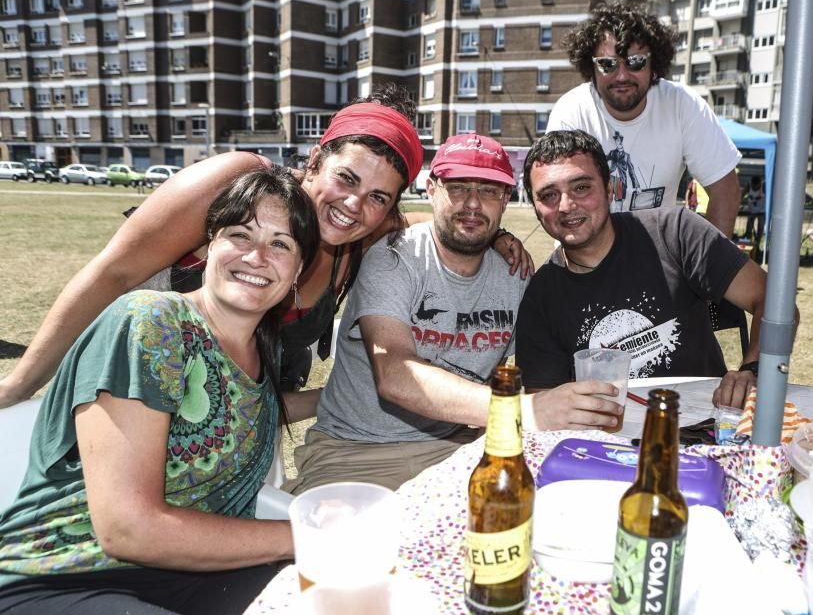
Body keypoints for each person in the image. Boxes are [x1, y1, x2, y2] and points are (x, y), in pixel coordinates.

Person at [0, 85, 533, 407]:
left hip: (236, 425)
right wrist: (19, 385)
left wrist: (496, 232)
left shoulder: (359, 234)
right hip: (131, 383)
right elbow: (111, 273)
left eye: (376, 197)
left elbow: (435, 220)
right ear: (316, 159)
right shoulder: (236, 183)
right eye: (345, 179)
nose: (352, 205)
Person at [0, 167, 323, 615]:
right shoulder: (152, 324)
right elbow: (128, 528)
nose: (257, 255)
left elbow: (240, 413)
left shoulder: (265, 348)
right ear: (209, 246)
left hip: (194, 575)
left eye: (281, 244)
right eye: (240, 234)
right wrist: (311, 537)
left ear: (296, 272)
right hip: (62, 579)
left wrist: (333, 397)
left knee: (349, 611)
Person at [285, 133, 622, 493]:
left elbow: (533, 368)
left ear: (506, 199)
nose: (473, 204)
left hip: (455, 452)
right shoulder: (395, 257)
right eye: (458, 187)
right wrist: (527, 410)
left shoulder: (516, 276)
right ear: (431, 190)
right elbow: (396, 375)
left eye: (489, 190)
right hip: (353, 451)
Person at [515, 130, 770, 410]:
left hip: (705, 426)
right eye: (549, 195)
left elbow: (770, 299)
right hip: (606, 440)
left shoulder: (675, 232)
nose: (566, 206)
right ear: (536, 208)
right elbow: (544, 407)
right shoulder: (540, 298)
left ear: (610, 189)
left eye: (581, 187)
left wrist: (754, 369)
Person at [546, 0, 742, 236]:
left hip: (658, 259)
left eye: (636, 62)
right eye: (607, 64)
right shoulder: (571, 110)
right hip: (584, 256)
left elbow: (725, 191)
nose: (621, 75)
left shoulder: (683, 104)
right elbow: (558, 198)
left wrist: (709, 266)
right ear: (591, 68)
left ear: (654, 64)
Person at [744, 176, 766, 241]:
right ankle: (748, 240)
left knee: (761, 227)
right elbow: (742, 194)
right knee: (749, 226)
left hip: (762, 211)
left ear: (759, 184)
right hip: (752, 210)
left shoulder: (764, 187)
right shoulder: (749, 186)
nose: (755, 188)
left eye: (756, 187)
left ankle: (758, 242)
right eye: (753, 187)